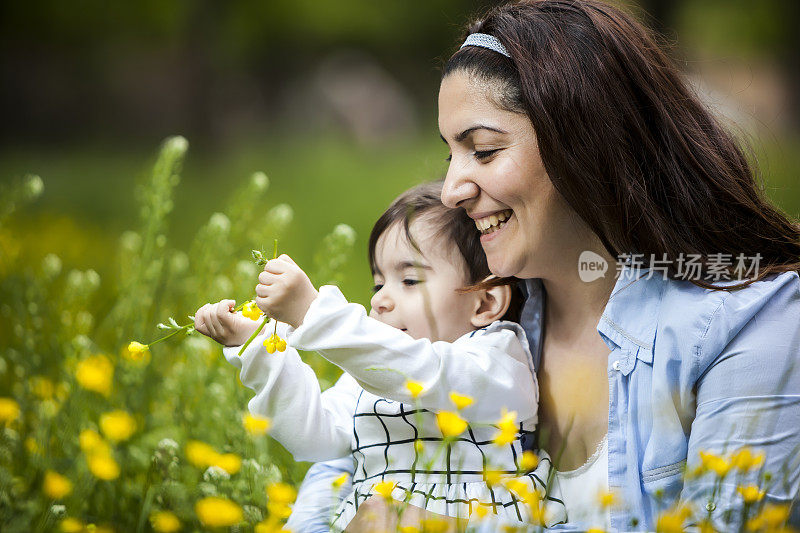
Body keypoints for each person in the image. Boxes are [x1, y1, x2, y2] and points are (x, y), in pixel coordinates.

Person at [288, 1, 800, 531]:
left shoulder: (753, 325)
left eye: (483, 150)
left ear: (583, 144)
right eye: (450, 155)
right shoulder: (468, 317)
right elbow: (337, 470)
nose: (452, 190)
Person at [194, 181, 568, 531]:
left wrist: (315, 314)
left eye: (408, 281)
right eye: (378, 283)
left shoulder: (498, 359)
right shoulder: (370, 377)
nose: (379, 299)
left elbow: (427, 373)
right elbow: (313, 437)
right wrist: (258, 348)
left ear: (484, 303)